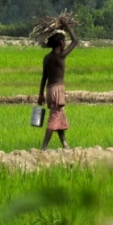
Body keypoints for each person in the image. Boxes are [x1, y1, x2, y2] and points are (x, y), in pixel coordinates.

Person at [37, 20, 78, 150]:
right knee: (54, 118)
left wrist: (40, 94)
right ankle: (43, 148)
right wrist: (66, 26)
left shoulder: (47, 58)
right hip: (57, 90)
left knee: (60, 115)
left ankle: (65, 144)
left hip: (49, 90)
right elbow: (75, 41)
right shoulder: (60, 56)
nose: (65, 43)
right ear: (61, 43)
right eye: (64, 42)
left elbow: (44, 77)